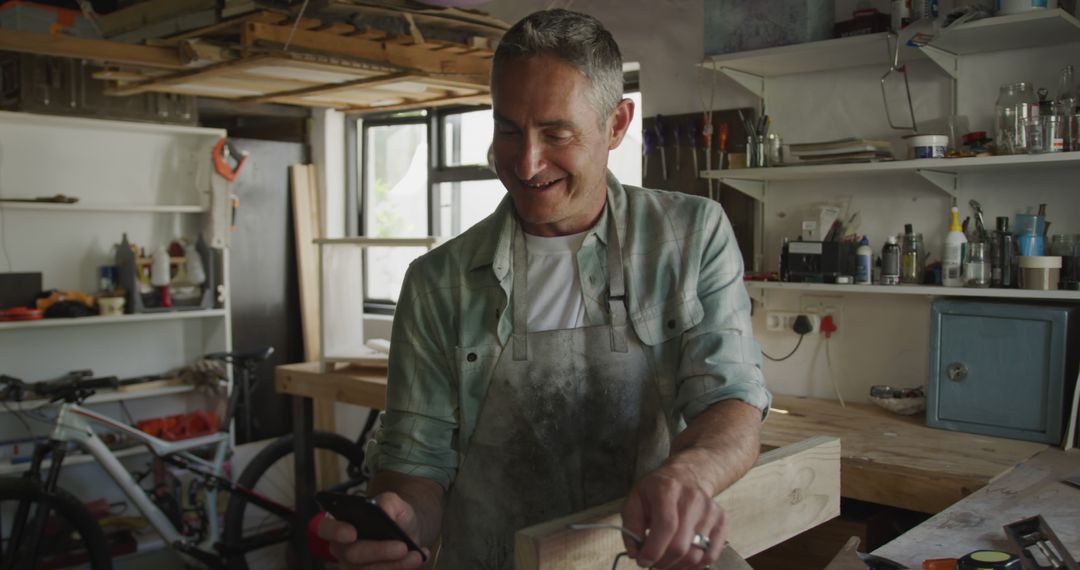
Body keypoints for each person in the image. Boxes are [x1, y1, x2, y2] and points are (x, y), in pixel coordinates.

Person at [316, 8, 770, 570]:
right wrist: (405, 518)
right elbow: (417, 462)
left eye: (556, 133)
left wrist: (687, 475)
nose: (527, 163)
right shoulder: (438, 284)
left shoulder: (691, 236)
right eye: (508, 130)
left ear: (617, 124)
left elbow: (729, 399)